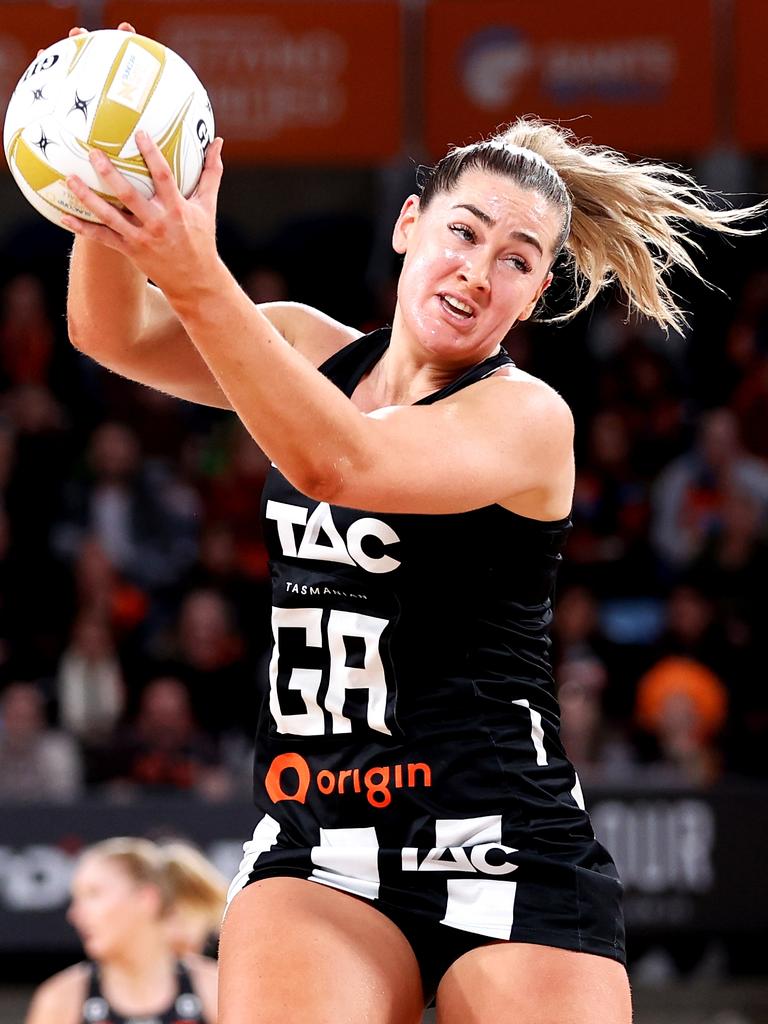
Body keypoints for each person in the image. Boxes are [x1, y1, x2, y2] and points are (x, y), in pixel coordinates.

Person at [59, 22, 767, 1023]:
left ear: (533, 296)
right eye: (465, 232)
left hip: (507, 835)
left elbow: (337, 461)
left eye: (520, 259)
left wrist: (190, 265)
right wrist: (108, 183)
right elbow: (107, 331)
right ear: (407, 226)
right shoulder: (307, 345)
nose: (481, 271)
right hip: (321, 835)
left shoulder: (529, 419)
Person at [25, 837, 218, 1024]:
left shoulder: (215, 989)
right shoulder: (61, 999)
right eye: (76, 898)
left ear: (146, 899)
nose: (75, 914)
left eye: (93, 894)